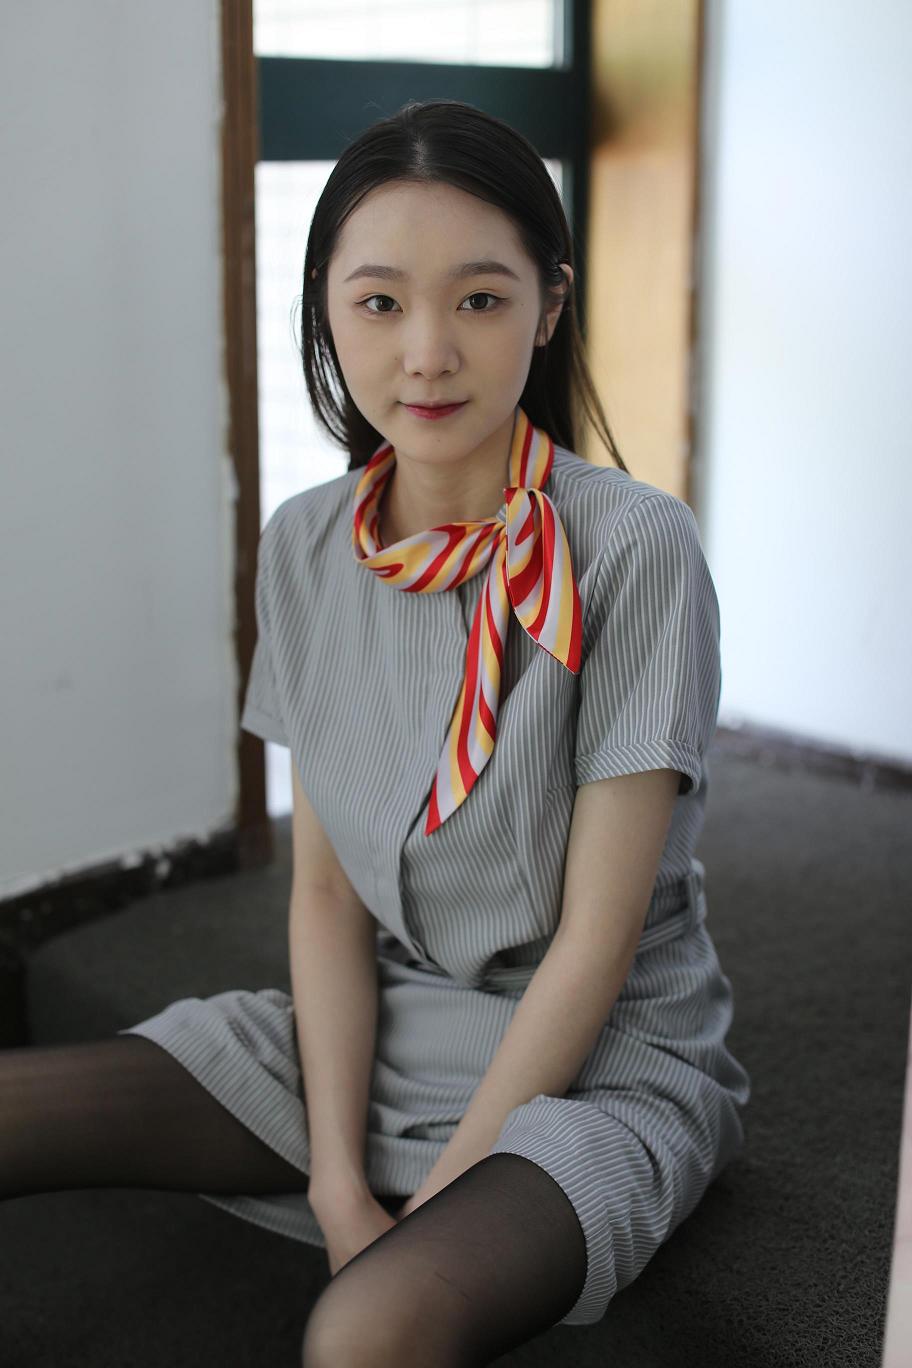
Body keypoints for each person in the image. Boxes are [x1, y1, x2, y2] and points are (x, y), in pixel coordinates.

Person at [1, 99, 751, 1366]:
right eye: (380, 303)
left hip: (599, 1059)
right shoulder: (305, 544)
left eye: (480, 299)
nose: (427, 355)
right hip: (383, 1023)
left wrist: (440, 1198)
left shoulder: (634, 549)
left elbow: (595, 944)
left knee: (369, 1329)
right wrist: (341, 1184)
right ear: (327, 313)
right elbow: (328, 899)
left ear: (550, 307)